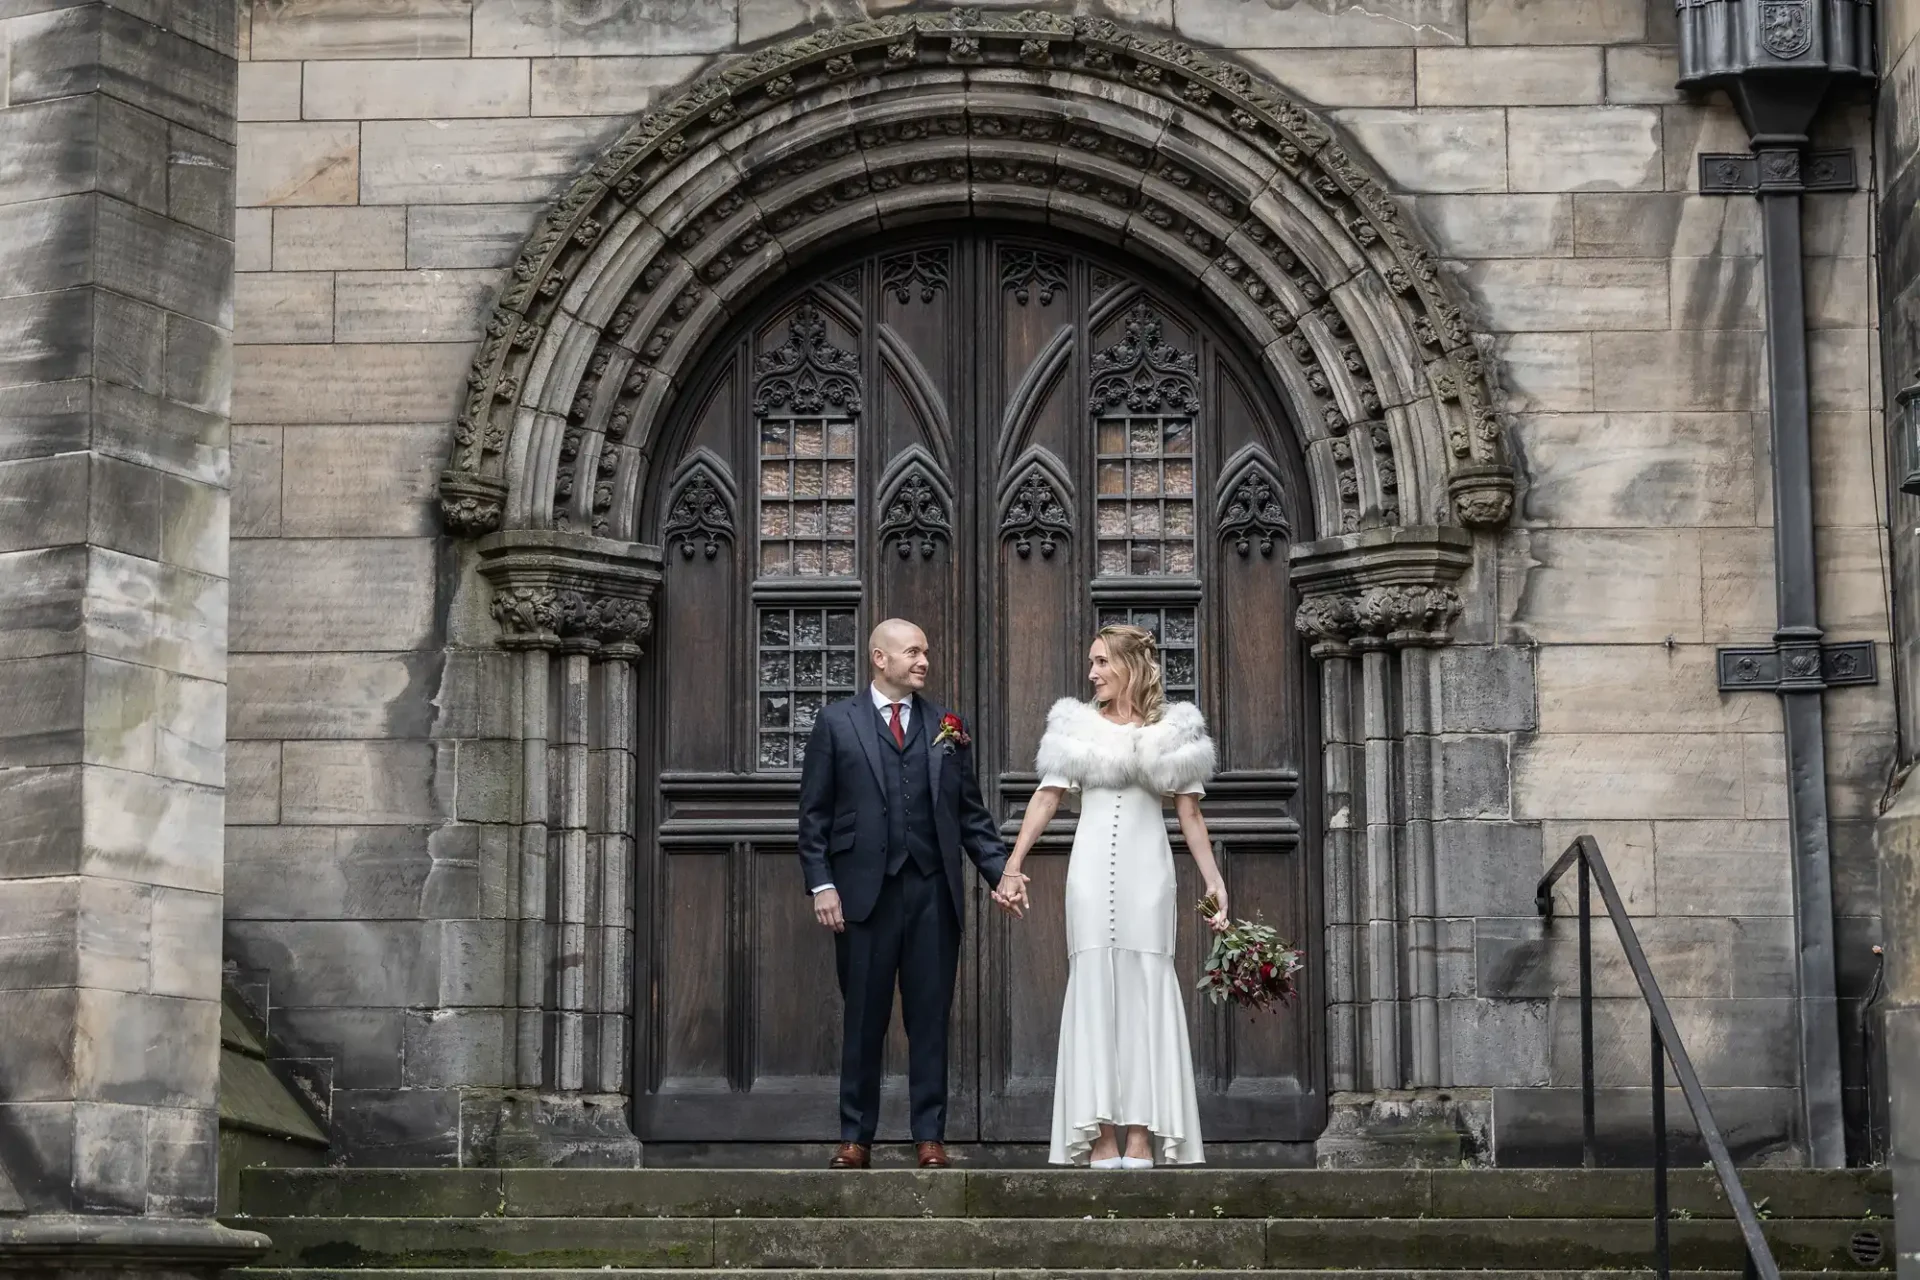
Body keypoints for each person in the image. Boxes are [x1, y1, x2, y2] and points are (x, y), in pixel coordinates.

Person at [796, 618, 1030, 1170]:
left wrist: (1001, 872)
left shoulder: (947, 725)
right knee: (863, 1020)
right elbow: (814, 816)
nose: (924, 660)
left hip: (932, 894)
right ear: (880, 658)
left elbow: (970, 816)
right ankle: (856, 1136)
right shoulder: (836, 723)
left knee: (930, 1018)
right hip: (861, 897)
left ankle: (930, 1135)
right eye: (912, 651)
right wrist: (822, 883)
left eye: (926, 650)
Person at [1000, 623, 1226, 1168]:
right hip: (1090, 872)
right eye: (1092, 662)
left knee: (1146, 988)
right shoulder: (1075, 729)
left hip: (1149, 875)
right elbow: (1046, 798)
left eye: (1102, 662)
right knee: (1095, 985)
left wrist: (1214, 880)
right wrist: (1012, 863)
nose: (1093, 672)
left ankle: (1143, 1137)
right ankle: (1102, 1136)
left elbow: (1189, 813)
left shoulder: (1174, 731)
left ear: (1130, 666)